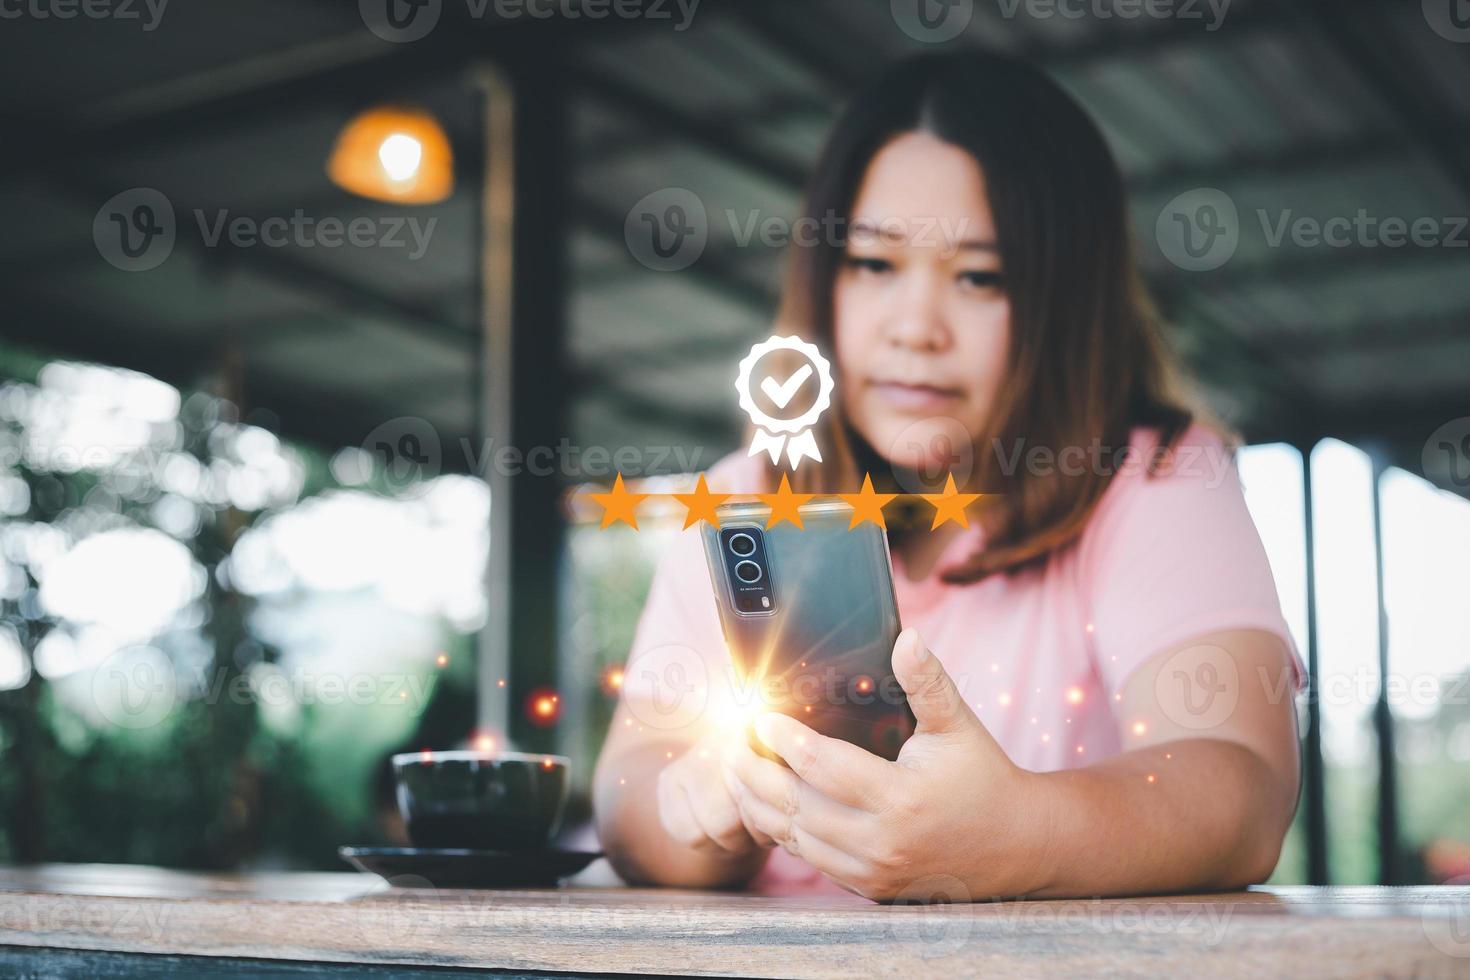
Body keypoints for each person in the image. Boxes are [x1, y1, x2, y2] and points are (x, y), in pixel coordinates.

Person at [593, 51, 1302, 902]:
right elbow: (628, 785)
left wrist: (1017, 834)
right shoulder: (744, 493)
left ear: (1064, 305)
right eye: (874, 264)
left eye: (979, 277)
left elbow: (1243, 783)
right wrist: (709, 816)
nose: (916, 328)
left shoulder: (1154, 475)